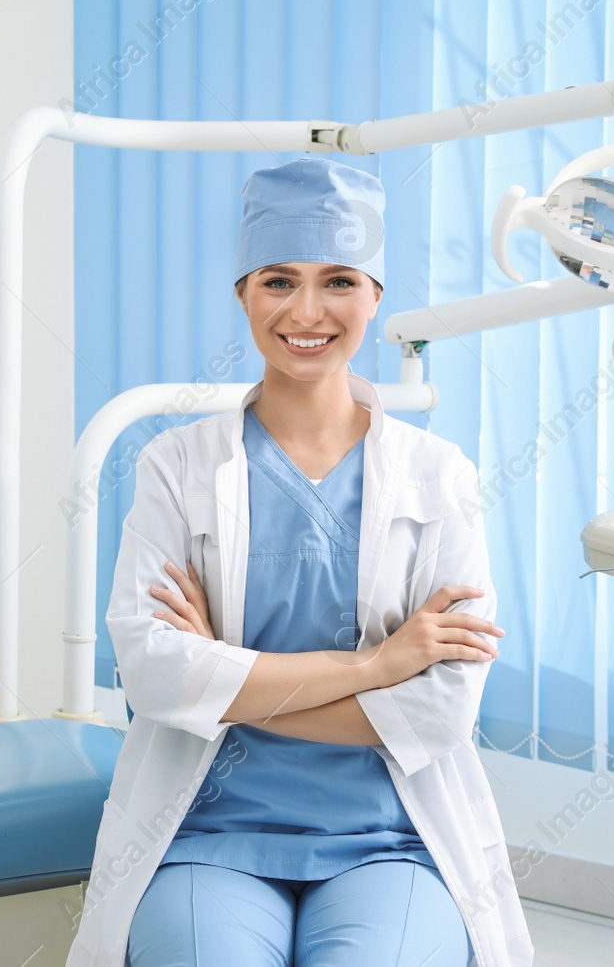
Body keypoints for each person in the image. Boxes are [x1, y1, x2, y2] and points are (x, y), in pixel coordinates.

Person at [65, 158, 533, 967]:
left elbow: (441, 711)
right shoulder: (176, 467)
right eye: (279, 280)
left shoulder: (439, 476)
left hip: (393, 838)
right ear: (243, 293)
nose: (307, 311)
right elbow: (152, 674)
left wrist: (226, 682)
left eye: (339, 281)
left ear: (376, 296)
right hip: (209, 830)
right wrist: (381, 664)